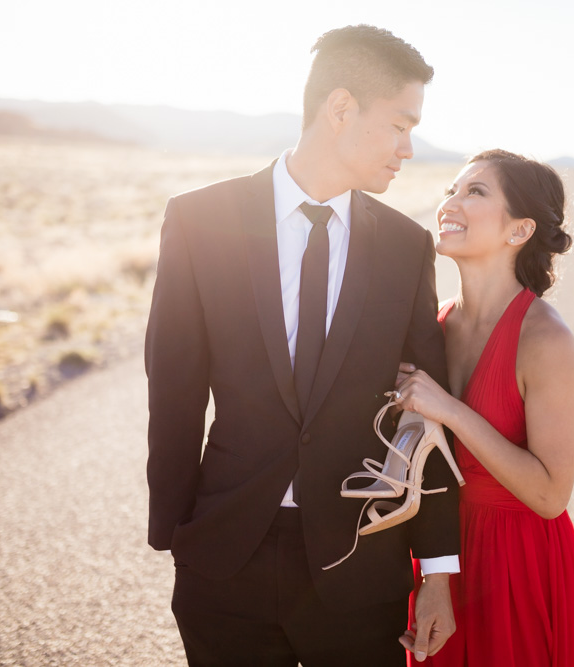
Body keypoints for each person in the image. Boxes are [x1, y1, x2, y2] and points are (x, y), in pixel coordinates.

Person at [145, 25, 461, 667]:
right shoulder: (200, 220)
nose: (409, 147)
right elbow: (173, 388)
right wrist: (178, 536)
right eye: (400, 124)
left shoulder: (405, 246)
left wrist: (436, 572)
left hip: (359, 565)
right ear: (340, 108)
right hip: (226, 561)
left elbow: (425, 415)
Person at [395, 150, 574, 666]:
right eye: (450, 191)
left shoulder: (545, 338)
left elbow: (550, 495)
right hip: (440, 552)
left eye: (474, 192)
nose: (450, 203)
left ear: (519, 230)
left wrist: (451, 411)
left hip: (516, 560)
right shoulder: (432, 326)